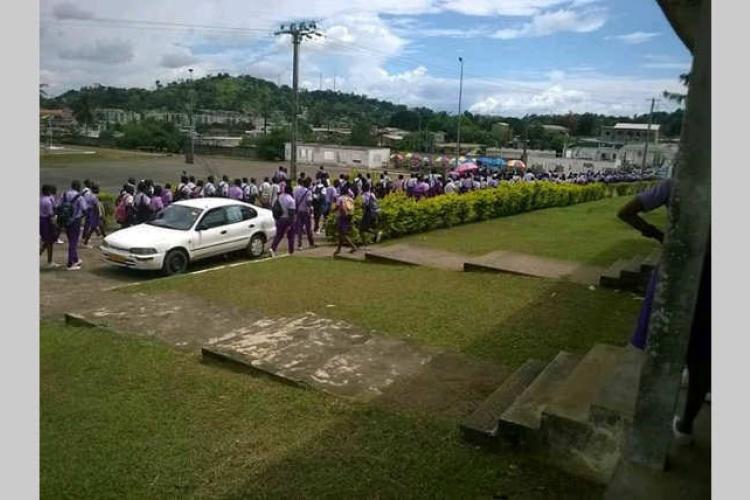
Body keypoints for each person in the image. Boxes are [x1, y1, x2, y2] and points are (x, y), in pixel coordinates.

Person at [617, 178, 711, 445]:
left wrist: (658, 234)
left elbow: (625, 212)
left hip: (677, 270)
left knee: (659, 343)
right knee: (703, 357)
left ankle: (649, 420)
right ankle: (686, 426)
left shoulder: (678, 185)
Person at [58, 180, 88, 270]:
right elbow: (84, 209)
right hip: (75, 221)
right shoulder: (79, 197)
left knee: (71, 240)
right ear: (78, 187)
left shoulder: (64, 194)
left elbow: (58, 206)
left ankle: (75, 259)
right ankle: (70, 263)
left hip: (66, 220)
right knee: (73, 242)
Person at [269, 184, 296, 257]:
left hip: (279, 218)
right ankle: (291, 251)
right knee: (291, 236)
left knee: (278, 235)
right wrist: (290, 224)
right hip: (287, 219)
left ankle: (272, 248)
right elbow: (291, 214)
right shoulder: (291, 200)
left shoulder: (279, 197)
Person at [40, 185, 60, 268]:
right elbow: (51, 214)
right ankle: (49, 261)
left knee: (46, 240)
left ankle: (41, 252)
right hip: (46, 221)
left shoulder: (40, 199)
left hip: (41, 220)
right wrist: (56, 225)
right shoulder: (48, 201)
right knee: (50, 242)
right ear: (48, 191)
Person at [333, 188, 358, 256]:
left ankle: (353, 246)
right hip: (349, 216)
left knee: (342, 234)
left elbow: (337, 207)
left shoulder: (340, 198)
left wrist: (332, 210)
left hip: (342, 217)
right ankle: (338, 249)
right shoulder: (350, 199)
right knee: (342, 233)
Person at [293, 177, 315, 249]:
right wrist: (311, 208)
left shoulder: (297, 191)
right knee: (308, 228)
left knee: (299, 228)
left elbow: (295, 201)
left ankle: (300, 245)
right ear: (308, 184)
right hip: (306, 211)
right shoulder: (308, 192)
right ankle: (311, 243)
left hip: (299, 211)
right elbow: (309, 202)